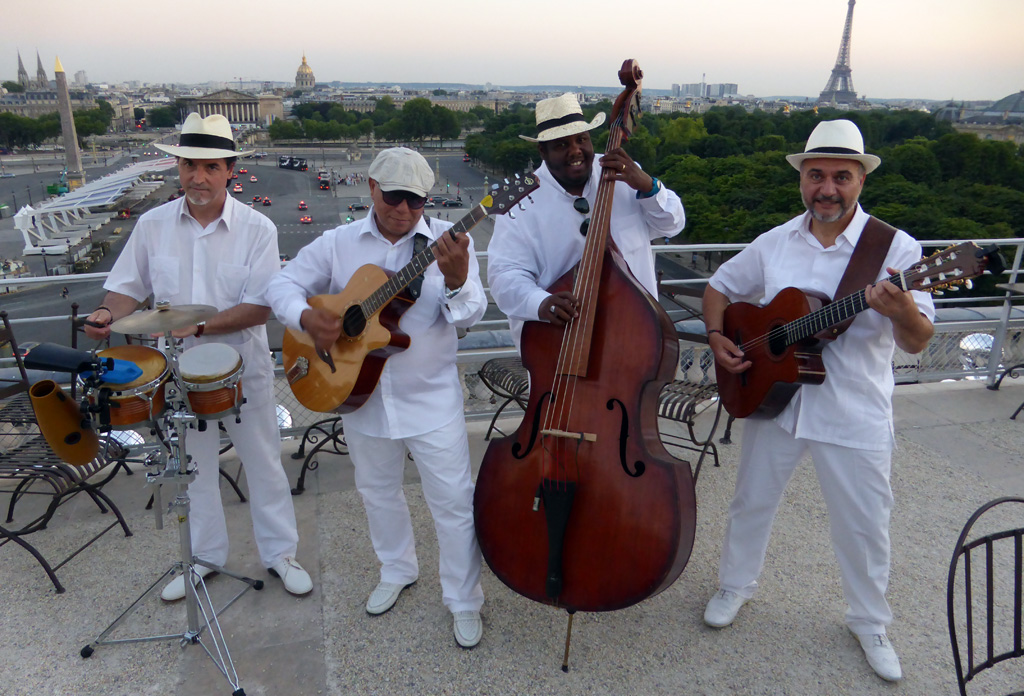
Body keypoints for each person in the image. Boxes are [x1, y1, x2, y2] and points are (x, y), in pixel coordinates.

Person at [700, 119, 935, 682]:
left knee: (863, 521)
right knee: (751, 502)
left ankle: (869, 621)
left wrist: (900, 308)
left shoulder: (895, 249)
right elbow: (718, 290)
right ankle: (735, 586)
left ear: (860, 181)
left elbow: (918, 338)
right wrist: (718, 340)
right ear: (801, 180)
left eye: (840, 176)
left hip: (853, 408)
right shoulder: (776, 240)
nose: (826, 187)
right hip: (777, 400)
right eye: (815, 175)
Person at [265, 147, 487, 648]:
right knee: (377, 493)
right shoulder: (338, 243)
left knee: (453, 503)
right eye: (393, 197)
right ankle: (397, 569)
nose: (404, 210)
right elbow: (282, 283)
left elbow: (471, 314)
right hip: (360, 396)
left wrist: (454, 281)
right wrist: (306, 318)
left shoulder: (447, 243)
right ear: (370, 187)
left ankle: (464, 599)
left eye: (415, 200)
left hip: (431, 401)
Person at [85, 113, 312, 601]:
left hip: (240, 370)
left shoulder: (258, 229)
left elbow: (259, 307)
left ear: (230, 170)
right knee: (194, 469)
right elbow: (127, 287)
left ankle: (280, 555)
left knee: (264, 463)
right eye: (189, 166)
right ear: (179, 169)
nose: (198, 177)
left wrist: (202, 326)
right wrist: (107, 311)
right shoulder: (152, 225)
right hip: (177, 373)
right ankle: (206, 559)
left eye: (210, 167)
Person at [487, 93, 685, 350]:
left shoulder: (626, 175)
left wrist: (649, 187)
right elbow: (505, 276)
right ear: (542, 151)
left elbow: (672, 224)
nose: (575, 151)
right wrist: (541, 302)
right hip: (561, 344)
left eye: (581, 139)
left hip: (635, 334)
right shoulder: (521, 202)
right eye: (561, 145)